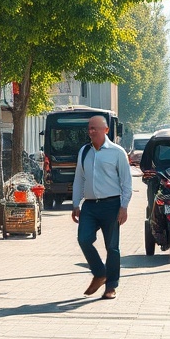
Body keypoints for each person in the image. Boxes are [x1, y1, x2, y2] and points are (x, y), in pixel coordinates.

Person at [71, 114, 132, 301]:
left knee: (112, 247)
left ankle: (110, 287)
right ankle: (99, 272)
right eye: (89, 128)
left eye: (94, 128)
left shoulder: (117, 152)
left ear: (105, 130)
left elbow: (126, 182)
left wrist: (124, 207)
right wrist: (75, 204)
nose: (91, 131)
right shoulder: (84, 151)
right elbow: (79, 179)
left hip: (112, 205)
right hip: (89, 205)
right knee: (83, 239)